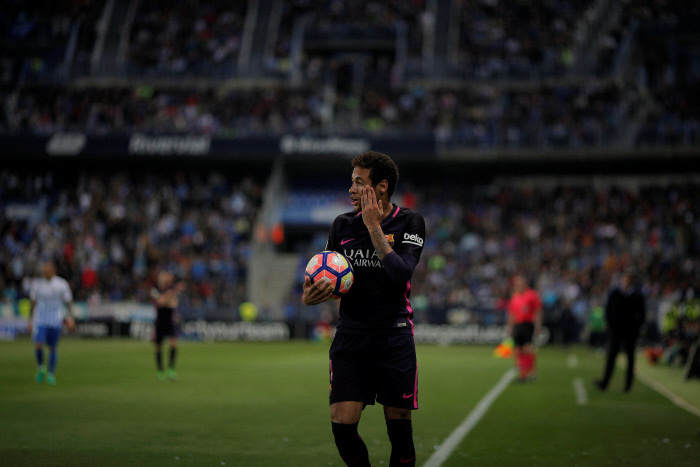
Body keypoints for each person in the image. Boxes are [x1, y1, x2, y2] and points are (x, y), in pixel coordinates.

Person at [302, 151, 425, 467]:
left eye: (359, 183)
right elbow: (326, 273)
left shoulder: (410, 222)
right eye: (351, 182)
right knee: (342, 425)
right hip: (351, 337)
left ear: (381, 187)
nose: (351, 190)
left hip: (393, 336)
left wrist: (373, 227)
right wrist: (311, 294)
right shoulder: (341, 225)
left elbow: (400, 275)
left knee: (399, 430)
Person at [595, 272, 646, 392]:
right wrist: (611, 326)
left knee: (630, 358)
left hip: (630, 331)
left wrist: (636, 328)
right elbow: (608, 311)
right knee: (611, 357)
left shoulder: (637, 295)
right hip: (616, 331)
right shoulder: (615, 293)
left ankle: (628, 386)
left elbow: (642, 314)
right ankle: (605, 382)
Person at [28, 261, 75, 385]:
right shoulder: (37, 284)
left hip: (55, 320)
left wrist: (70, 317)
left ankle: (51, 374)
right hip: (40, 320)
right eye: (44, 270)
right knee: (38, 344)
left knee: (53, 348)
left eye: (47, 270)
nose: (45, 272)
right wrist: (29, 319)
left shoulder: (61, 284)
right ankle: (41, 367)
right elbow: (32, 303)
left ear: (53, 271)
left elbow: (68, 300)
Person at [504, 274, 543, 383]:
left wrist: (538, 325)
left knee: (527, 348)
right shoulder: (515, 297)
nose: (518, 285)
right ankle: (524, 374)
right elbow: (512, 314)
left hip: (528, 324)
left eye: (520, 283)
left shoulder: (532, 295)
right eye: (516, 284)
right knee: (518, 349)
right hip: (518, 325)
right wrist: (510, 327)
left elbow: (538, 310)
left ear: (525, 284)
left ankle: (532, 371)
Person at [150, 270, 185, 381]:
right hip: (160, 321)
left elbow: (173, 303)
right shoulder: (155, 290)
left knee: (173, 343)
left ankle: (171, 369)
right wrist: (167, 298)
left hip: (169, 320)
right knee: (158, 346)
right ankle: (160, 370)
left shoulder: (170, 290)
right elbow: (160, 302)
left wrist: (166, 299)